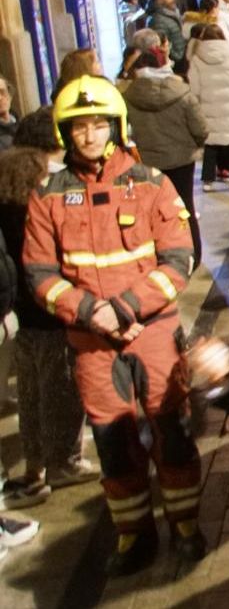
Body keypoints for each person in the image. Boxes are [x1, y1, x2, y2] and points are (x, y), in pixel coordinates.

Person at [21, 76, 203, 573]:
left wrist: (121, 310)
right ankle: (134, 536)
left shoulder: (151, 182)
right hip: (91, 345)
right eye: (79, 127)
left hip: (154, 335)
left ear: (116, 126)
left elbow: (179, 259)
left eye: (99, 124)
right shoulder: (47, 195)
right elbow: (39, 273)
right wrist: (89, 313)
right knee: (113, 444)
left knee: (174, 430)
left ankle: (185, 526)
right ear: (65, 132)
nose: (89, 135)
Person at [0, 147, 96, 511]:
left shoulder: (4, 211)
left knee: (31, 395)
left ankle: (35, 463)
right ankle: (64, 463)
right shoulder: (37, 214)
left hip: (24, 320)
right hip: (53, 318)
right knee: (60, 393)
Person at [121, 49, 207, 257]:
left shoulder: (128, 97)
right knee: (185, 205)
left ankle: (165, 254)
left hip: (149, 161)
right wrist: (190, 145)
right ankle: (193, 254)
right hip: (182, 160)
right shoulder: (182, 92)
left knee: (156, 210)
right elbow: (201, 129)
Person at [188, 24, 229, 191]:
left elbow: (194, 88)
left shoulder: (196, 58)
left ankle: (208, 181)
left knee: (210, 145)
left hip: (208, 108)